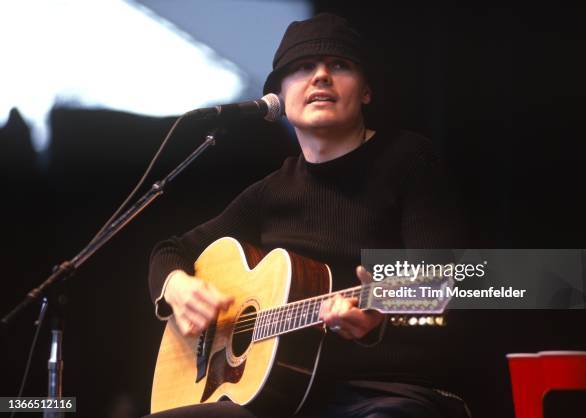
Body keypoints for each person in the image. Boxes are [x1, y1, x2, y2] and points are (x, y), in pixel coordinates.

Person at [146, 13, 469, 418]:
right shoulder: (270, 191)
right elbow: (170, 250)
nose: (320, 76)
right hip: (279, 400)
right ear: (278, 99)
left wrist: (380, 318)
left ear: (366, 90)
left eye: (339, 65)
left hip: (385, 392)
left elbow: (451, 282)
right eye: (302, 68)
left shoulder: (409, 160)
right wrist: (175, 286)